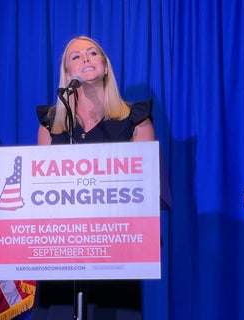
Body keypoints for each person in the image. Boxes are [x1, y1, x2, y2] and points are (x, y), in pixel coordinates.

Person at [35, 35, 155, 316]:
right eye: (76, 57)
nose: (85, 59)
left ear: (106, 66)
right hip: (60, 255)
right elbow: (37, 192)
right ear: (67, 74)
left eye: (92, 53)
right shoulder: (51, 126)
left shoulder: (136, 121)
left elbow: (148, 190)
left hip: (116, 254)